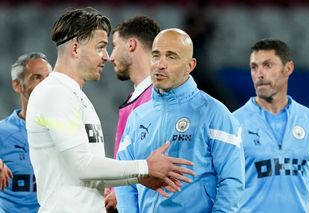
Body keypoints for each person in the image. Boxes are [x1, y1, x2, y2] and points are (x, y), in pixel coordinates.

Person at [25, 7, 194, 213]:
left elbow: (89, 171)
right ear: (76, 49)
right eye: (100, 47)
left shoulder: (76, 96)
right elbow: (82, 166)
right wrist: (144, 167)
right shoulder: (55, 93)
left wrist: (140, 177)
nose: (106, 56)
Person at [115, 28, 245, 212]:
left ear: (190, 65)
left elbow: (232, 182)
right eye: (155, 55)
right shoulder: (137, 117)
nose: (160, 64)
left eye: (171, 56)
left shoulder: (215, 113)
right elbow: (124, 180)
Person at [233, 39, 309, 212]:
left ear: (288, 69)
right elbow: (223, 184)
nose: (260, 74)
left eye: (267, 65)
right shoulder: (234, 123)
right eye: (254, 67)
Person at [104, 15, 160, 212]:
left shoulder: (159, 98)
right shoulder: (136, 96)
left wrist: (121, 192)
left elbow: (161, 162)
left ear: (131, 45)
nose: (110, 57)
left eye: (114, 45)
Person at [0, 52, 52, 212]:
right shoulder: (3, 132)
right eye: (36, 77)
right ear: (17, 85)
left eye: (49, 78)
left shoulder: (69, 128)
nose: (45, 84)